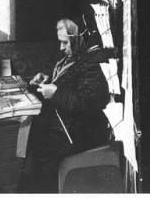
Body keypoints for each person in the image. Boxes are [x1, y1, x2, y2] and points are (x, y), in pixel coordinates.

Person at [25, 18, 111, 192]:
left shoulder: (93, 63)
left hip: (79, 131)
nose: (61, 47)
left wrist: (56, 93)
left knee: (43, 157)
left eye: (65, 42)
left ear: (78, 38)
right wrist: (45, 78)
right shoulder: (71, 56)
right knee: (32, 143)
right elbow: (66, 78)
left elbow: (90, 102)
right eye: (60, 42)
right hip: (63, 124)